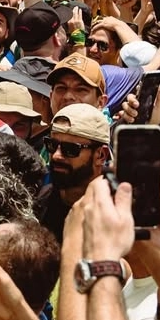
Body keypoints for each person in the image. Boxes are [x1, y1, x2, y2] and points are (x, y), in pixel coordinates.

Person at [35, 103, 111, 241]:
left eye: (70, 149)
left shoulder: (117, 209)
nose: (56, 155)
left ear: (100, 155)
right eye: (52, 145)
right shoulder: (39, 199)